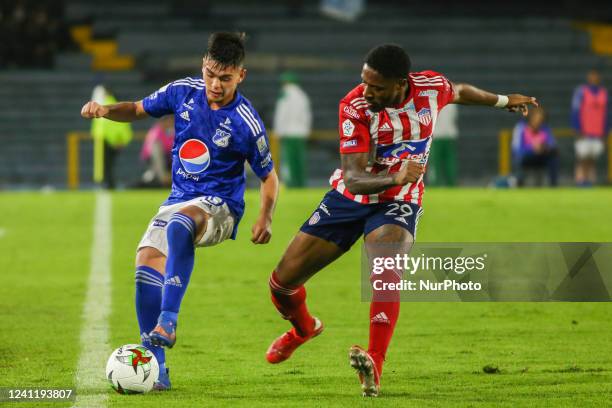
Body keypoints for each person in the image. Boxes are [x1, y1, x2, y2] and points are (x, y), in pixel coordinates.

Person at [264, 44, 537, 397]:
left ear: (399, 84)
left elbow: (460, 91)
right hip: (351, 198)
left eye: (375, 87)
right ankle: (303, 329)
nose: (366, 91)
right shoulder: (354, 106)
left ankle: (374, 360)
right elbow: (352, 177)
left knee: (385, 267)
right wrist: (395, 176)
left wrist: (503, 100)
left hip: (399, 202)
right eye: (364, 82)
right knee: (281, 284)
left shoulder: (429, 88)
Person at [80, 32, 279, 391]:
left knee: (179, 225)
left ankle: (168, 320)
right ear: (203, 67)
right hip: (179, 199)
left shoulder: (246, 122)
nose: (215, 84)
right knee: (146, 264)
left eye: (225, 78)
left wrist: (264, 217)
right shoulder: (183, 91)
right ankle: (157, 370)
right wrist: (107, 111)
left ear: (241, 76)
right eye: (210, 74)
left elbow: (269, 178)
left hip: (222, 207)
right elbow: (139, 109)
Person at [273, 71, 312, 188]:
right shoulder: (302, 95)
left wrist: (278, 131)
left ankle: (291, 183)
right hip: (300, 133)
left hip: (289, 133)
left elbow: (282, 114)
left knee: (289, 161)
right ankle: (301, 183)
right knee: (300, 161)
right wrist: (306, 130)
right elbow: (307, 115)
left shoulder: (285, 95)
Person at [90, 85, 133, 189]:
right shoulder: (113, 104)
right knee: (107, 165)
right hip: (109, 139)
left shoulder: (107, 105)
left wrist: (120, 139)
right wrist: (123, 139)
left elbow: (110, 125)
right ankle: (108, 184)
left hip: (106, 139)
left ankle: (108, 184)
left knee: (106, 165)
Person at [571, 69, 609, 186]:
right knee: (582, 157)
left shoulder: (604, 93)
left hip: (598, 131)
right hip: (584, 131)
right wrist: (577, 128)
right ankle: (580, 180)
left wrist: (606, 130)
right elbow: (575, 110)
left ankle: (590, 181)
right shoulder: (581, 92)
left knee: (592, 158)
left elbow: (608, 113)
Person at [512, 106, 558, 187]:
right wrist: (532, 148)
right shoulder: (521, 128)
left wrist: (544, 147)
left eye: (541, 119)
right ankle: (519, 184)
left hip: (542, 156)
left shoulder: (545, 129)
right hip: (526, 157)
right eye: (536, 118)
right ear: (531, 118)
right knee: (519, 159)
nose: (538, 121)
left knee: (553, 157)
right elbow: (517, 149)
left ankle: (553, 185)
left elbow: (552, 145)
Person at [138, 115, 175, 188]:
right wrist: (163, 175)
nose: (170, 122)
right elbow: (154, 152)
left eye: (171, 120)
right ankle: (162, 178)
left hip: (169, 158)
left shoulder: (174, 130)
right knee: (156, 147)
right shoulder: (156, 131)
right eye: (167, 120)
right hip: (153, 159)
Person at [427, 103, 458, 186]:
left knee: (435, 161)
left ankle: (435, 183)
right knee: (450, 161)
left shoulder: (434, 101)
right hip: (450, 135)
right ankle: (451, 183)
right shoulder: (452, 103)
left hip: (437, 136)